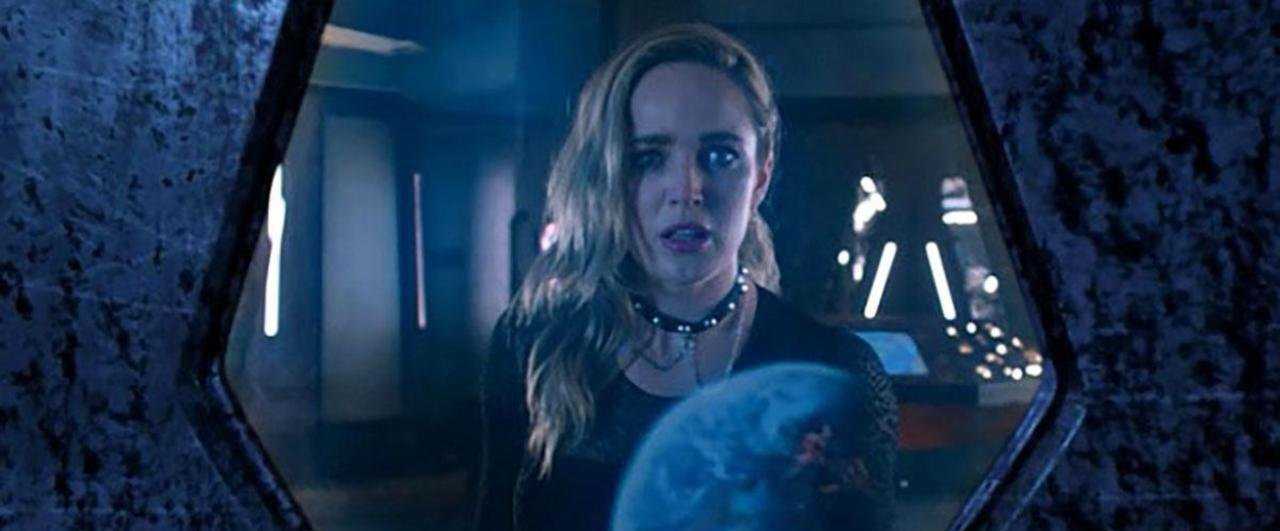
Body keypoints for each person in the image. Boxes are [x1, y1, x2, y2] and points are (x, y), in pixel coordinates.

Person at [473, 23, 898, 531]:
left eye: (720, 156)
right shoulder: (536, 346)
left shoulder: (833, 370)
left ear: (760, 177)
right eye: (648, 158)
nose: (688, 189)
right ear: (609, 175)